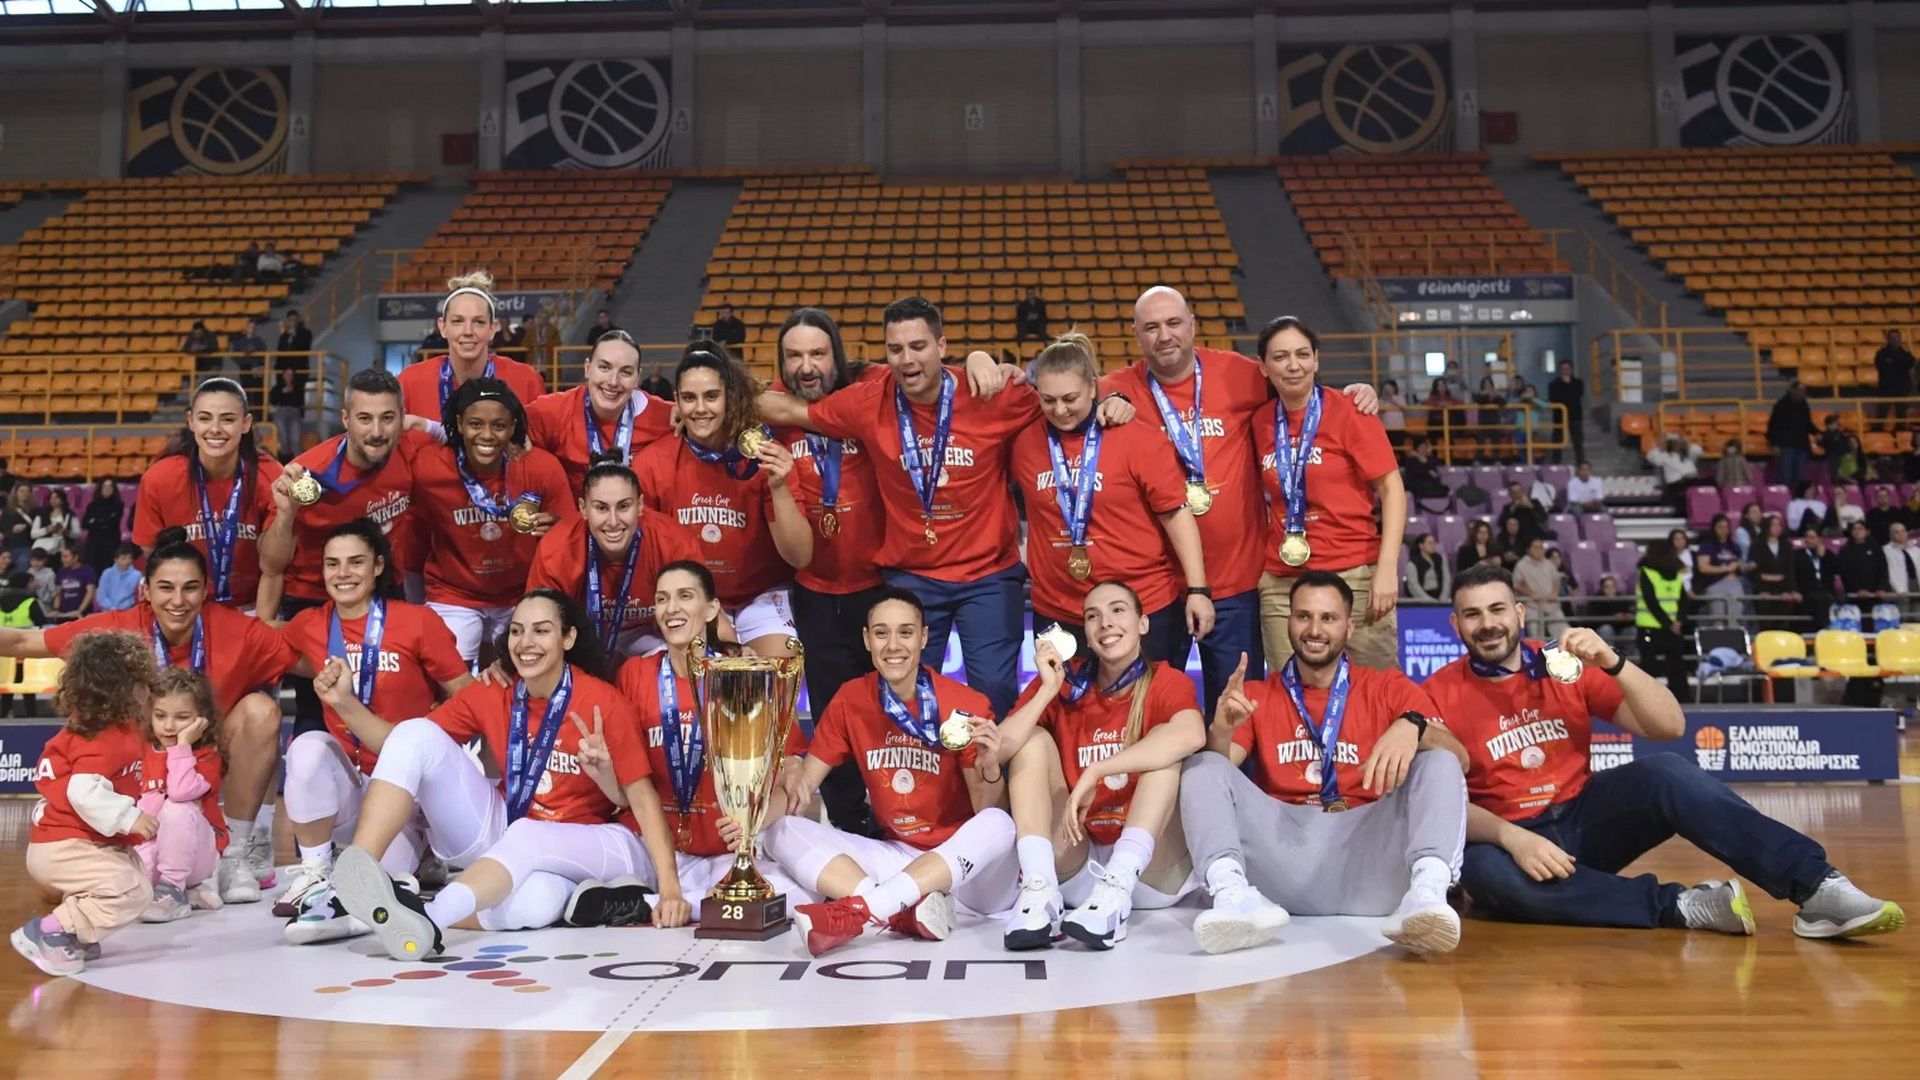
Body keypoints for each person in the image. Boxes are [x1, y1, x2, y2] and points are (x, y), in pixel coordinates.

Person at [1428, 563, 1904, 938]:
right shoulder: (1435, 694)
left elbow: (1669, 726)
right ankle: (1683, 906)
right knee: (1485, 875)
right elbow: (1440, 803)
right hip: (1511, 842)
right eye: (1473, 614)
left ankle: (1817, 887)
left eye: (1497, 609)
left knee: (1666, 772)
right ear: (1456, 624)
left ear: (1519, 613)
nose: (1487, 624)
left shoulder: (1561, 663)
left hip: (1584, 821)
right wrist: (1513, 838)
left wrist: (1614, 663)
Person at [755, 296, 1091, 717]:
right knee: (904, 694)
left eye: (918, 346)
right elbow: (789, 408)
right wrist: (706, 406)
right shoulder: (868, 401)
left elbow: (1071, 394)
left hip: (987, 575)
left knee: (993, 691)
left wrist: (1114, 399)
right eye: (895, 349)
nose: (907, 359)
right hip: (911, 575)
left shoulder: (989, 393)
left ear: (942, 346)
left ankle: (993, 761)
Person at [323, 591, 682, 960]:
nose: (525, 643)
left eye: (541, 631)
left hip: (594, 843)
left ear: (568, 638)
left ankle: (427, 917)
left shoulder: (602, 701)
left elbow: (644, 800)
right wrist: (344, 702)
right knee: (536, 901)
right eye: (516, 631)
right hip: (511, 837)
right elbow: (400, 745)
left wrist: (670, 890)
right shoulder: (495, 691)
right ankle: (358, 877)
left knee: (530, 849)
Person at [1177, 571, 1470, 957]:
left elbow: (1460, 759)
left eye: (1328, 618)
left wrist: (1414, 726)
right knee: (1200, 766)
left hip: (1370, 858)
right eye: (1304, 616)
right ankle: (1233, 897)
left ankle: (1427, 895)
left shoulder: (1388, 688)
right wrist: (1221, 730)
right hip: (1283, 862)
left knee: (1439, 761)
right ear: (1289, 622)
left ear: (1349, 627)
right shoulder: (1258, 695)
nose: (1314, 630)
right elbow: (1217, 774)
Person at [759, 587, 1019, 956]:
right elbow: (802, 788)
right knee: (781, 830)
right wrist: (752, 821)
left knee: (999, 823)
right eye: (881, 633)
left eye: (905, 632)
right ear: (867, 639)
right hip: (899, 858)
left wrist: (990, 768)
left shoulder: (964, 703)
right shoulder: (851, 699)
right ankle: (898, 910)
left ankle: (866, 910)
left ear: (924, 638)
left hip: (969, 875)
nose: (893, 645)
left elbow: (986, 810)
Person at [275, 521, 474, 936]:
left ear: (378, 566)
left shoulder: (417, 621)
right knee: (307, 747)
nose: (343, 573)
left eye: (355, 562)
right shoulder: (308, 625)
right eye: (332, 564)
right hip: (351, 784)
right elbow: (260, 641)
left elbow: (468, 697)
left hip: (405, 792)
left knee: (383, 881)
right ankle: (315, 871)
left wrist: (431, 733)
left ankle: (414, 855)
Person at [984, 581, 1207, 950]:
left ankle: (1115, 893)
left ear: (1143, 624)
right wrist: (1046, 690)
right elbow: (1000, 749)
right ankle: (1039, 891)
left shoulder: (1165, 680)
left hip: (1148, 872)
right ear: (1085, 634)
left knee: (1164, 751)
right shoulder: (1066, 682)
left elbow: (1192, 734)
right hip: (1078, 863)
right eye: (1093, 616)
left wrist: (1098, 769)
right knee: (1032, 740)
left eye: (1118, 610)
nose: (1106, 623)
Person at [597, 562, 811, 926]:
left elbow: (785, 781)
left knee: (796, 893)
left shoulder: (743, 673)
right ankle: (681, 898)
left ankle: (649, 904)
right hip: (652, 847)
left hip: (724, 851)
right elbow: (631, 787)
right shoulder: (634, 675)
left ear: (712, 609)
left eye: (685, 596)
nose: (671, 608)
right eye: (662, 599)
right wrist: (604, 774)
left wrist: (753, 823)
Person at [1011, 333, 1212, 665]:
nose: (1059, 410)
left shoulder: (1137, 438)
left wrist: (1198, 590)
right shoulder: (1023, 443)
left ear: (1093, 387)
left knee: (1149, 699)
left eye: (1070, 398)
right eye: (1048, 400)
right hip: (1059, 610)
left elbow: (1176, 516)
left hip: (1141, 605)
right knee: (1066, 700)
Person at [764, 309, 889, 836]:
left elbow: (927, 372)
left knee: (890, 708)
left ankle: (906, 814)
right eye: (794, 356)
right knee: (832, 712)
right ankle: (849, 823)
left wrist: (976, 358)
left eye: (817, 354)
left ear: (837, 354)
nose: (807, 366)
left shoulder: (870, 389)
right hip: (814, 590)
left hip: (881, 584)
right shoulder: (769, 410)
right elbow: (729, 397)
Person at [632, 341, 811, 659]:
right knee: (705, 670)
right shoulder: (653, 463)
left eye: (711, 396)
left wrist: (780, 487)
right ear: (676, 401)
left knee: (777, 671)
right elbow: (649, 558)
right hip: (691, 597)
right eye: (689, 398)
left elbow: (799, 556)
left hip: (760, 594)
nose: (700, 408)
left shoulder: (762, 456)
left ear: (730, 397)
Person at [1252, 315, 1404, 672]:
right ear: (1263, 367)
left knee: (1376, 690)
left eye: (1303, 354)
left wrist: (1386, 569)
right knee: (1289, 689)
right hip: (1283, 581)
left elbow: (1392, 490)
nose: (1293, 365)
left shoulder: (1351, 411)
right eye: (1280, 357)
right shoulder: (1258, 422)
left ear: (1317, 360)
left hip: (1354, 575)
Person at [9, 631, 160, 977]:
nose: (148, 690)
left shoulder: (101, 728)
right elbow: (83, 792)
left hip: (68, 841)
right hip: (65, 846)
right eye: (142, 682)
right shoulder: (102, 739)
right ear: (123, 690)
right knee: (133, 891)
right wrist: (129, 817)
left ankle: (75, 934)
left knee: (131, 874)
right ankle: (49, 932)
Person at [407, 379, 573, 667]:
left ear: (512, 428)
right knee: (447, 673)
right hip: (453, 594)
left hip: (521, 595)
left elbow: (572, 537)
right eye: (475, 424)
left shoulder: (540, 467)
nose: (486, 435)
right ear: (460, 424)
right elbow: (413, 533)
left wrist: (556, 531)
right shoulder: (429, 466)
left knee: (524, 675)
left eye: (498, 426)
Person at [133, 378, 283, 610]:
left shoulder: (271, 476)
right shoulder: (159, 478)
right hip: (184, 607)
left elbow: (276, 565)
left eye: (228, 419)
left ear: (246, 423)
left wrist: (261, 625)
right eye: (204, 418)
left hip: (252, 606)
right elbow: (152, 551)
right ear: (191, 421)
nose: (215, 429)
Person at [527, 460, 698, 658]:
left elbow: (700, 615)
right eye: (601, 508)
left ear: (640, 505)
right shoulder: (555, 550)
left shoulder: (674, 542)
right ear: (583, 508)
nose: (614, 521)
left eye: (624, 506)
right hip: (580, 641)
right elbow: (537, 626)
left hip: (654, 636)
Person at [524, 330, 674, 493]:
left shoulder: (665, 416)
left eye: (626, 372)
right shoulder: (553, 412)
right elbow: (509, 421)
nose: (613, 382)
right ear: (587, 368)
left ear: (637, 378)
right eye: (604, 367)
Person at [133, 667, 228, 923]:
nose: (169, 726)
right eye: (160, 715)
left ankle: (174, 890)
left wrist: (183, 745)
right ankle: (189, 893)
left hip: (199, 854)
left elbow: (180, 790)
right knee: (125, 882)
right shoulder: (143, 749)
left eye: (182, 717)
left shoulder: (206, 755)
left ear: (201, 719)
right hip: (151, 845)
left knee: (176, 807)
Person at [397, 272, 547, 423]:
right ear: (442, 327)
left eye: (479, 322)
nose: (468, 331)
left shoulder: (527, 380)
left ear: (493, 328)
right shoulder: (410, 382)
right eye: (457, 321)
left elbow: (541, 436)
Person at [1633, 537, 1691, 703]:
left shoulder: (1647, 573)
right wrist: (1677, 622)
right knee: (1674, 665)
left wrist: (1671, 623)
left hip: (1650, 627)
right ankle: (1679, 700)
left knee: (1651, 666)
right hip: (1670, 627)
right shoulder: (1675, 574)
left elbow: (1652, 601)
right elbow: (1683, 600)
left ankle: (1648, 701)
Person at [1747, 514, 1799, 629]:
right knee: (1766, 620)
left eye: (1779, 525)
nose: (1777, 528)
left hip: (1783, 588)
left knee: (1784, 620)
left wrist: (1789, 590)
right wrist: (1762, 588)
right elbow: (1754, 571)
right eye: (1774, 525)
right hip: (1763, 589)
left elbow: (1790, 570)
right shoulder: (1757, 546)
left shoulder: (1786, 546)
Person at [1692, 514, 1747, 622]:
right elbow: (1703, 568)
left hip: (1734, 584)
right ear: (1714, 528)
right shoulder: (1707, 546)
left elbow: (1739, 564)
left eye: (1726, 527)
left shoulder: (1733, 546)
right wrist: (1726, 568)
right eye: (1720, 527)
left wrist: (1740, 565)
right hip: (1715, 583)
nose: (1724, 530)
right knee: (1718, 619)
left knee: (1736, 618)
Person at [1512, 538, 1567, 639]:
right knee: (1536, 638)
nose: (1539, 550)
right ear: (1529, 550)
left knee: (1564, 635)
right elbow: (1517, 585)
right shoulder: (1521, 565)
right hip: (1532, 606)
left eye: (1541, 547)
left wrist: (1555, 593)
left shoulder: (1549, 564)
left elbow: (1556, 579)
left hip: (1551, 604)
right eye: (1536, 547)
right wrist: (1531, 594)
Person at [1765, 380, 1814, 489]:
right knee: (1785, 476)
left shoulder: (1804, 405)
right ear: (1792, 390)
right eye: (1800, 390)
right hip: (1786, 446)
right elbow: (1773, 426)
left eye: (1804, 391)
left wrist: (1817, 433)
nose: (1802, 393)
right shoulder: (1781, 405)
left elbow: (1807, 423)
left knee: (1800, 477)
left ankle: (1798, 497)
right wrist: (1774, 444)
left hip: (1801, 445)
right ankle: (1784, 497)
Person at [1833, 519, 1887, 598]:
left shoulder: (1876, 549)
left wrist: (1881, 588)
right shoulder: (1845, 551)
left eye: (1860, 528)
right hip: (1854, 594)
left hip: (1875, 594)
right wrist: (1856, 589)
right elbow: (1845, 573)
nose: (1857, 531)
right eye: (1854, 529)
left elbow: (1883, 569)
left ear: (1867, 532)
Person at [1795, 525, 1835, 630]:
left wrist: (1824, 557)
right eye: (1807, 537)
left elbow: (1836, 569)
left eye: (1812, 538)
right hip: (1806, 592)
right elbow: (1792, 574)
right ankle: (1825, 628)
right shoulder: (1797, 555)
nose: (1809, 540)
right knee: (1818, 600)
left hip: (1826, 591)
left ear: (1819, 539)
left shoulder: (1828, 555)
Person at [1646, 433, 1702, 506]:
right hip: (1676, 485)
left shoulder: (1688, 455)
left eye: (1678, 442)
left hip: (1691, 482)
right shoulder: (1665, 456)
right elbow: (1652, 458)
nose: (1677, 445)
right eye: (1674, 443)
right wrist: (1658, 446)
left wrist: (1685, 441)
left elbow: (1697, 450)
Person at [1586, 574, 1636, 655]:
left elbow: (1630, 614)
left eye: (1613, 586)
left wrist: (1628, 617)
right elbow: (1592, 621)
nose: (1610, 589)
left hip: (1621, 629)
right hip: (1604, 631)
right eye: (1607, 587)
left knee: (1632, 630)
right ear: (1602, 588)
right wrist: (1613, 618)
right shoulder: (1596, 601)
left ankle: (1632, 659)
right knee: (1606, 629)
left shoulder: (1622, 599)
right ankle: (1610, 658)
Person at [81, 479, 123, 571]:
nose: (107, 489)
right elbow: (85, 524)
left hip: (111, 542)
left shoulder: (118, 505)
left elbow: (112, 523)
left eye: (110, 486)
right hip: (94, 543)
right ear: (100, 488)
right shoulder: (92, 505)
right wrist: (103, 521)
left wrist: (95, 521)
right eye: (104, 486)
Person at [1546, 365, 1585, 464]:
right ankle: (1556, 465)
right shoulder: (1554, 384)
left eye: (1568, 369)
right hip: (1559, 417)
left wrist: (1567, 385)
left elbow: (1577, 396)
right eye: (1563, 369)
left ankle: (1581, 464)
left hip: (1575, 416)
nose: (1566, 371)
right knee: (1557, 443)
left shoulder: (1578, 383)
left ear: (1572, 370)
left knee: (1578, 443)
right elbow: (1554, 398)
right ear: (1560, 370)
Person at [1874, 329, 1914, 421]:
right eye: (1892, 337)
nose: (1895, 340)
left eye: (1897, 337)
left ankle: (1901, 429)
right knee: (1882, 412)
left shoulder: (1905, 353)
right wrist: (1897, 363)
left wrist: (1894, 361)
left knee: (1901, 414)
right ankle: (1878, 428)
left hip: (1902, 388)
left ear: (1900, 339)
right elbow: (1881, 366)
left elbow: (1909, 363)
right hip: (1886, 388)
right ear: (1888, 339)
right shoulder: (1882, 353)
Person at [268, 367, 308, 459]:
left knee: (295, 441)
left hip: (294, 412)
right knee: (283, 439)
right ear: (283, 375)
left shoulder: (298, 387)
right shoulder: (278, 387)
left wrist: (290, 392)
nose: (288, 376)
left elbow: (300, 402)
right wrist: (282, 392)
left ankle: (298, 463)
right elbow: (273, 401)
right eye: (287, 374)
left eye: (291, 375)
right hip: (281, 411)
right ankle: (285, 462)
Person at [1400, 436, 1448, 508]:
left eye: (1425, 448)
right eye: (1421, 448)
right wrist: (1428, 472)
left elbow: (1436, 474)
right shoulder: (1410, 460)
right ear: (1416, 449)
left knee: (1444, 489)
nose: (1424, 450)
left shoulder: (1430, 459)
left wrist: (1425, 462)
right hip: (1417, 485)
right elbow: (1416, 474)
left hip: (1429, 484)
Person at [50, 546, 96, 622]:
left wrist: (79, 610)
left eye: (65, 557)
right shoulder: (61, 571)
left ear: (75, 557)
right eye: (62, 557)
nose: (62, 559)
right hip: (64, 615)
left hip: (82, 615)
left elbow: (90, 593)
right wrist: (56, 609)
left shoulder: (87, 571)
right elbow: (58, 593)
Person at [1882, 522, 1920, 610]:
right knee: (1903, 614)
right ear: (1890, 535)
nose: (1901, 534)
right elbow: (1889, 572)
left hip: (1916, 585)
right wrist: (1898, 589)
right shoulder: (1886, 551)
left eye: (1903, 531)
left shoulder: (1916, 550)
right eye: (1896, 532)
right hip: (1899, 590)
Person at [31, 489, 79, 557]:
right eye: (51, 498)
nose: (53, 500)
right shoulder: (41, 514)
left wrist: (66, 532)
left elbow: (77, 533)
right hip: (46, 549)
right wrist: (47, 529)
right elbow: (33, 534)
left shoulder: (70, 514)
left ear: (62, 500)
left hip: (63, 548)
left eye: (56, 498)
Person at [1405, 532, 1451, 603]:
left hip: (1440, 597)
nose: (1433, 545)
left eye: (1434, 543)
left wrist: (1444, 597)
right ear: (1421, 546)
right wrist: (1428, 600)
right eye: (1430, 543)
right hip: (1422, 599)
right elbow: (1413, 585)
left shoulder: (1440, 558)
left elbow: (1446, 578)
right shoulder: (1413, 563)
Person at [95, 543, 141, 613]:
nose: (127, 561)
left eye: (130, 558)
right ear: (116, 560)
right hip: (107, 611)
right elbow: (101, 596)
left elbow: (136, 598)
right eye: (124, 558)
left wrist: (120, 611)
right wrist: (112, 608)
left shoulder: (137, 575)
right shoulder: (107, 573)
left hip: (127, 612)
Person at [3, 484, 39, 567]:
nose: (24, 493)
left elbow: (38, 528)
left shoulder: (35, 510)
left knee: (22, 568)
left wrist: (27, 527)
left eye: (27, 491)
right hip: (9, 546)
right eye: (22, 491)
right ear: (16, 493)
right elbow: (3, 529)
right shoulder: (8, 510)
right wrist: (12, 530)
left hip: (26, 546)